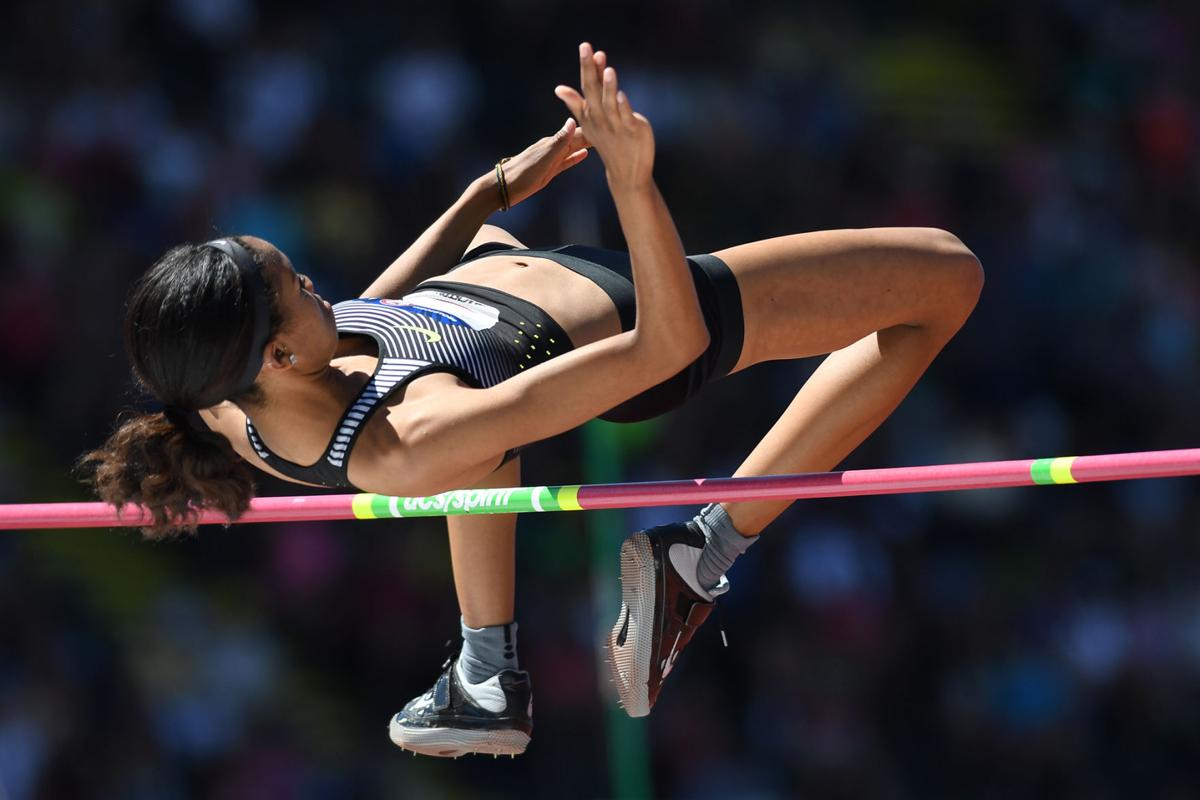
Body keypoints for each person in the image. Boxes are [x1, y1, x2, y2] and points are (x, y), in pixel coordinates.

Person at [84, 43, 983, 758]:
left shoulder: (218, 392)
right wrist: (634, 185)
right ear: (278, 355)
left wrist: (491, 193)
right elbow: (667, 346)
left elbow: (385, 304)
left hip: (495, 295)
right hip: (643, 315)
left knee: (478, 451)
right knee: (946, 278)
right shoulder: (413, 437)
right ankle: (705, 551)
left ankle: (485, 674)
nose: (320, 285)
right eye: (303, 289)